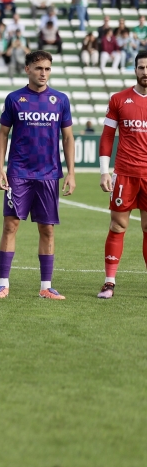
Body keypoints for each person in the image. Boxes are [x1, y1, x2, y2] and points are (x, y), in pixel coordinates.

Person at [0, 50, 75, 299]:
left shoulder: (60, 100)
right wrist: (0, 168)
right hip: (19, 173)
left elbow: (68, 137)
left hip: (49, 174)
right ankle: (3, 283)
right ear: (27, 68)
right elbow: (3, 134)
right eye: (39, 68)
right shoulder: (15, 99)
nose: (43, 73)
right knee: (11, 225)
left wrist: (71, 173)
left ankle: (45, 287)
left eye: (47, 69)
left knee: (47, 230)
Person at [97, 52, 147, 298]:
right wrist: (104, 171)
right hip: (125, 173)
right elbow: (107, 137)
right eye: (141, 67)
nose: (145, 72)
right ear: (135, 69)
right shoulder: (119, 99)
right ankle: (109, 282)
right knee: (118, 225)